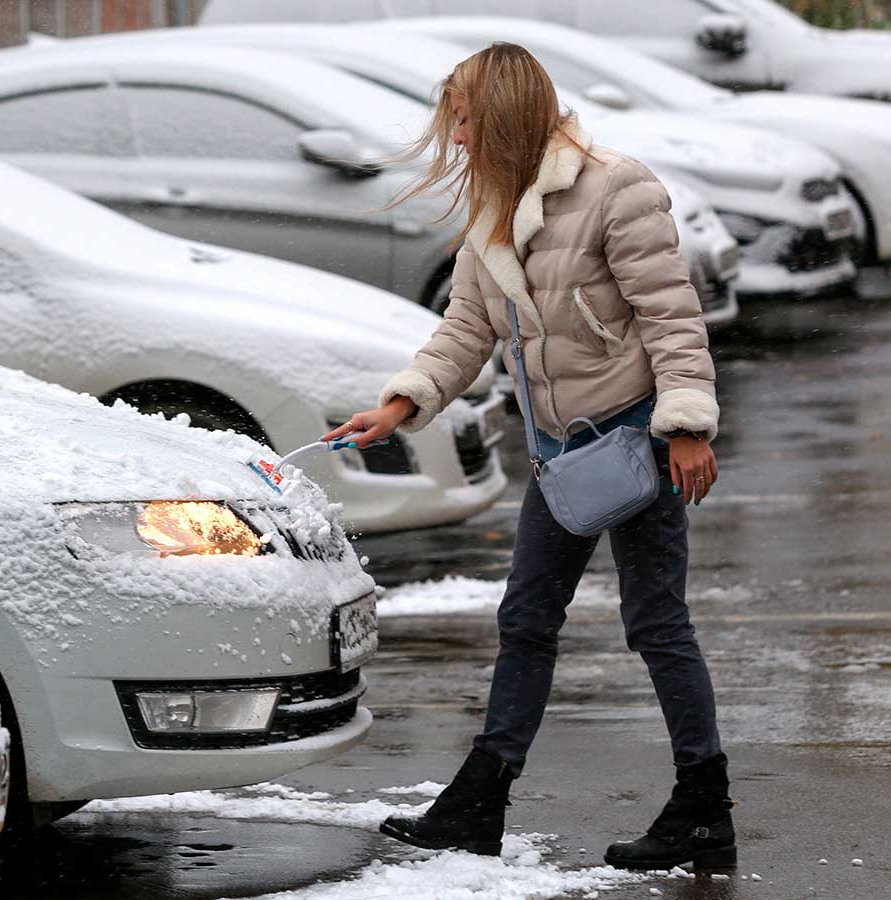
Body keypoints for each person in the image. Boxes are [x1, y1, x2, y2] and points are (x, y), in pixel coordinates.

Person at [324, 44, 734, 871]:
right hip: (559, 453)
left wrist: (686, 422)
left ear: (505, 114)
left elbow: (671, 312)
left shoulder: (619, 188)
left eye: (467, 121)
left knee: (656, 623)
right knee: (525, 622)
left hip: (635, 439)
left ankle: (703, 804)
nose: (460, 139)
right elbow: (467, 326)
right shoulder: (492, 207)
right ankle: (479, 803)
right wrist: (404, 403)